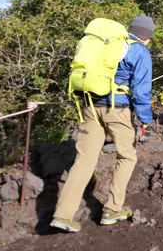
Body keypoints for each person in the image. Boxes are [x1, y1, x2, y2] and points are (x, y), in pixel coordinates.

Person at [50, 13, 155, 233]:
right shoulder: (140, 50)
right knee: (127, 156)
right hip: (117, 109)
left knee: (85, 159)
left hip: (89, 106)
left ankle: (62, 215)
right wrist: (145, 120)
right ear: (146, 37)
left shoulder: (110, 44)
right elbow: (141, 90)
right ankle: (112, 210)